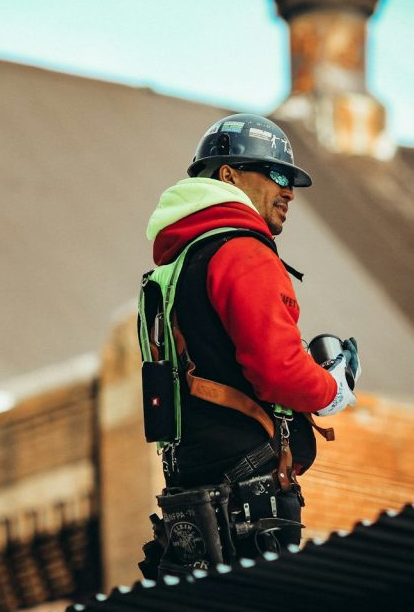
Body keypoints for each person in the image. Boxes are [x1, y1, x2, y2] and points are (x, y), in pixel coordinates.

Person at [137, 113, 360, 577]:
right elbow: (279, 372)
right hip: (246, 498)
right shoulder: (242, 252)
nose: (289, 191)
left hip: (194, 495)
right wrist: (333, 386)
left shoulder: (180, 264)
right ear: (228, 175)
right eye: (276, 174)